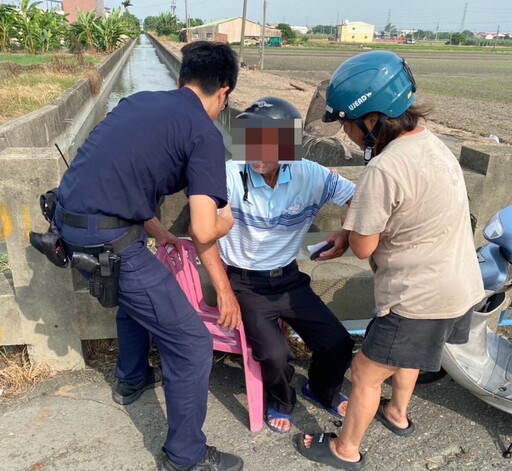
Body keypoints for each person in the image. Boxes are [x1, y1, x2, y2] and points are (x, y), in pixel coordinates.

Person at [54, 41, 243, 471]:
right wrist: (225, 240)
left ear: (180, 81)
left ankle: (131, 379)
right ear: (224, 93)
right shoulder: (205, 135)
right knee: (192, 344)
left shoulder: (139, 102)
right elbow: (202, 229)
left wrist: (160, 233)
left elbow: (126, 181)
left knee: (136, 294)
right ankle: (185, 457)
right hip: (109, 239)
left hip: (69, 224)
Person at [296, 51, 485, 469]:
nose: (344, 132)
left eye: (344, 122)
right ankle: (397, 414)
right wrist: (355, 225)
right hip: (459, 283)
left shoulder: (384, 167)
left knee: (365, 371)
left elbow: (364, 247)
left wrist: (350, 230)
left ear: (370, 118)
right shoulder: (430, 143)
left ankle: (345, 449)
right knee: (406, 356)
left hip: (417, 296)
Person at [203, 96, 356, 434]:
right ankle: (281, 400)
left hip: (289, 280)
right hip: (245, 283)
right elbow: (203, 235)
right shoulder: (227, 176)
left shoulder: (311, 175)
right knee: (274, 355)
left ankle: (321, 389)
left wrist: (346, 233)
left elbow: (362, 197)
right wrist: (225, 290)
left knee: (338, 342)